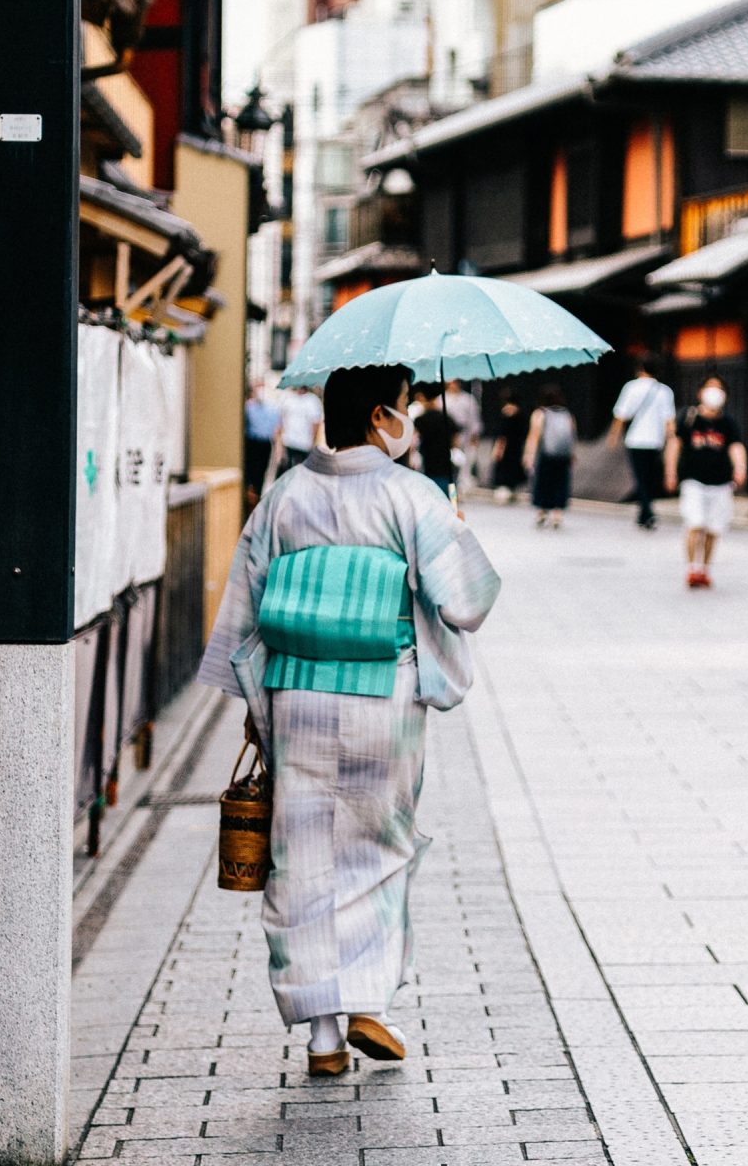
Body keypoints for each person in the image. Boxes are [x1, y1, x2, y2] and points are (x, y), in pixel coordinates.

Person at [202, 363, 502, 1077]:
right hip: (383, 696)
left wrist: (256, 707)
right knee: (378, 845)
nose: (409, 417)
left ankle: (323, 1038)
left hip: (297, 696)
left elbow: (246, 617)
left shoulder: (284, 496)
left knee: (300, 855)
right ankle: (371, 1000)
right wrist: (453, 532)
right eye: (404, 406)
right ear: (378, 417)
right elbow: (468, 602)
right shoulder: (412, 496)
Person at [664, 377, 747, 589]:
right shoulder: (688, 418)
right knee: (695, 523)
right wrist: (671, 472)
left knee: (713, 529)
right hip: (693, 480)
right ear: (700, 392)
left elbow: (736, 446)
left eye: (719, 389)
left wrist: (740, 468)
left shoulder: (728, 423)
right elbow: (675, 445)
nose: (715, 393)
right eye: (710, 388)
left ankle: (705, 569)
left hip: (721, 482)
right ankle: (693, 568)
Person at [608, 360, 676, 530]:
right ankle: (644, 512)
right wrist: (671, 439)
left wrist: (613, 436)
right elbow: (669, 420)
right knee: (649, 477)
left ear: (640, 369)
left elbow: (621, 415)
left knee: (640, 477)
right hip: (655, 440)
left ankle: (647, 511)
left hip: (636, 439)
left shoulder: (631, 387)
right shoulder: (665, 391)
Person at [525, 386, 578, 529]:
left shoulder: (540, 413)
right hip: (563, 456)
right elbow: (572, 436)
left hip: (546, 454)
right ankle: (557, 514)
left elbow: (534, 436)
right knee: (561, 483)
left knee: (544, 482)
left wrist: (529, 455)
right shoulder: (567, 414)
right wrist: (572, 454)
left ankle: (542, 511)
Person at [411, 384, 459, 496]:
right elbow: (456, 441)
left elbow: (413, 441)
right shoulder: (447, 418)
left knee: (431, 496)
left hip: (428, 464)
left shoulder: (420, 420)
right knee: (449, 498)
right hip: (446, 465)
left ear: (422, 397)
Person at [490, 391, 533, 502]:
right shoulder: (522, 414)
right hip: (517, 447)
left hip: (506, 447)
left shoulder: (505, 414)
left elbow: (502, 434)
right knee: (514, 466)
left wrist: (498, 448)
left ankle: (504, 490)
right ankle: (513, 489)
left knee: (504, 468)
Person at [442, 378, 485, 491]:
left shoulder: (468, 399)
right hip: (447, 435)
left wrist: (475, 436)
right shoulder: (442, 399)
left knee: (464, 462)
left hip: (464, 434)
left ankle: (462, 487)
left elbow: (474, 419)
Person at [244, 374, 279, 506]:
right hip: (251, 442)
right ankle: (250, 496)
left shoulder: (273, 408)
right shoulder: (249, 407)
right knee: (250, 472)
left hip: (265, 444)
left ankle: (255, 498)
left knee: (260, 474)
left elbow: (276, 430)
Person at [277, 385, 325, 475]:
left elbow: (315, 424)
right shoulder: (288, 399)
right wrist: (280, 445)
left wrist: (313, 442)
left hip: (304, 444)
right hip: (289, 441)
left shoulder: (312, 400)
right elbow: (282, 421)